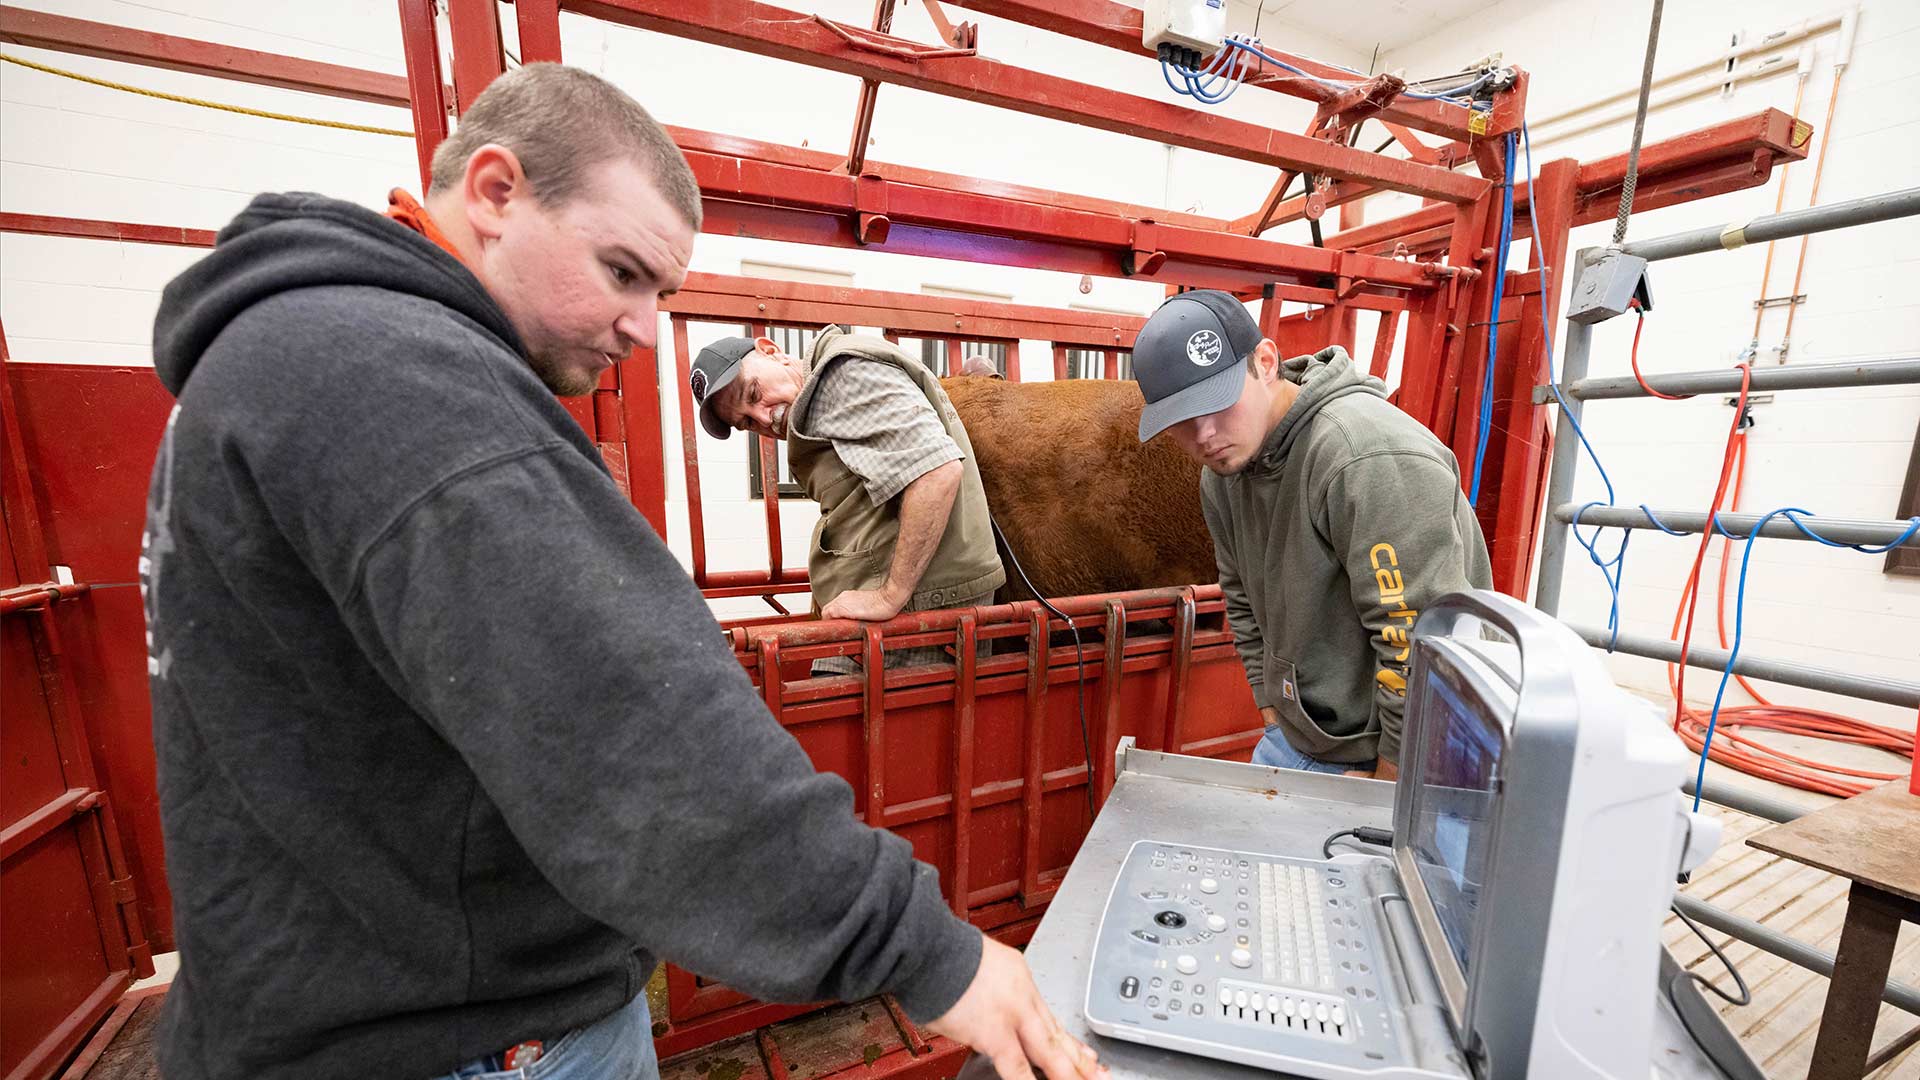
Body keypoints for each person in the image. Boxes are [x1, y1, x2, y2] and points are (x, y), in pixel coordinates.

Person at [140, 63, 1101, 1080]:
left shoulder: (287, 357)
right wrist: (920, 946)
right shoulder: (391, 376)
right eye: (622, 272)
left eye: (661, 290)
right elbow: (631, 721)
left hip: (357, 991)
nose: (645, 328)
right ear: (496, 193)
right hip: (466, 1036)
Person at [1130, 290, 1492, 780]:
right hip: (1298, 737)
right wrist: (1270, 706)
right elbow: (1239, 595)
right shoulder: (1223, 475)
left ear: (1264, 362)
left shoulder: (1363, 456)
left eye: (1217, 403)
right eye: (1182, 422)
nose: (1204, 435)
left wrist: (1390, 779)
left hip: (1403, 760)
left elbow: (1419, 638)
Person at [691, 330, 1004, 670]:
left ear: (771, 350)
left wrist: (890, 596)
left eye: (754, 393)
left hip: (920, 605)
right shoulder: (826, 389)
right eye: (747, 422)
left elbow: (937, 471)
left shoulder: (839, 375)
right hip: (904, 600)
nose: (764, 418)